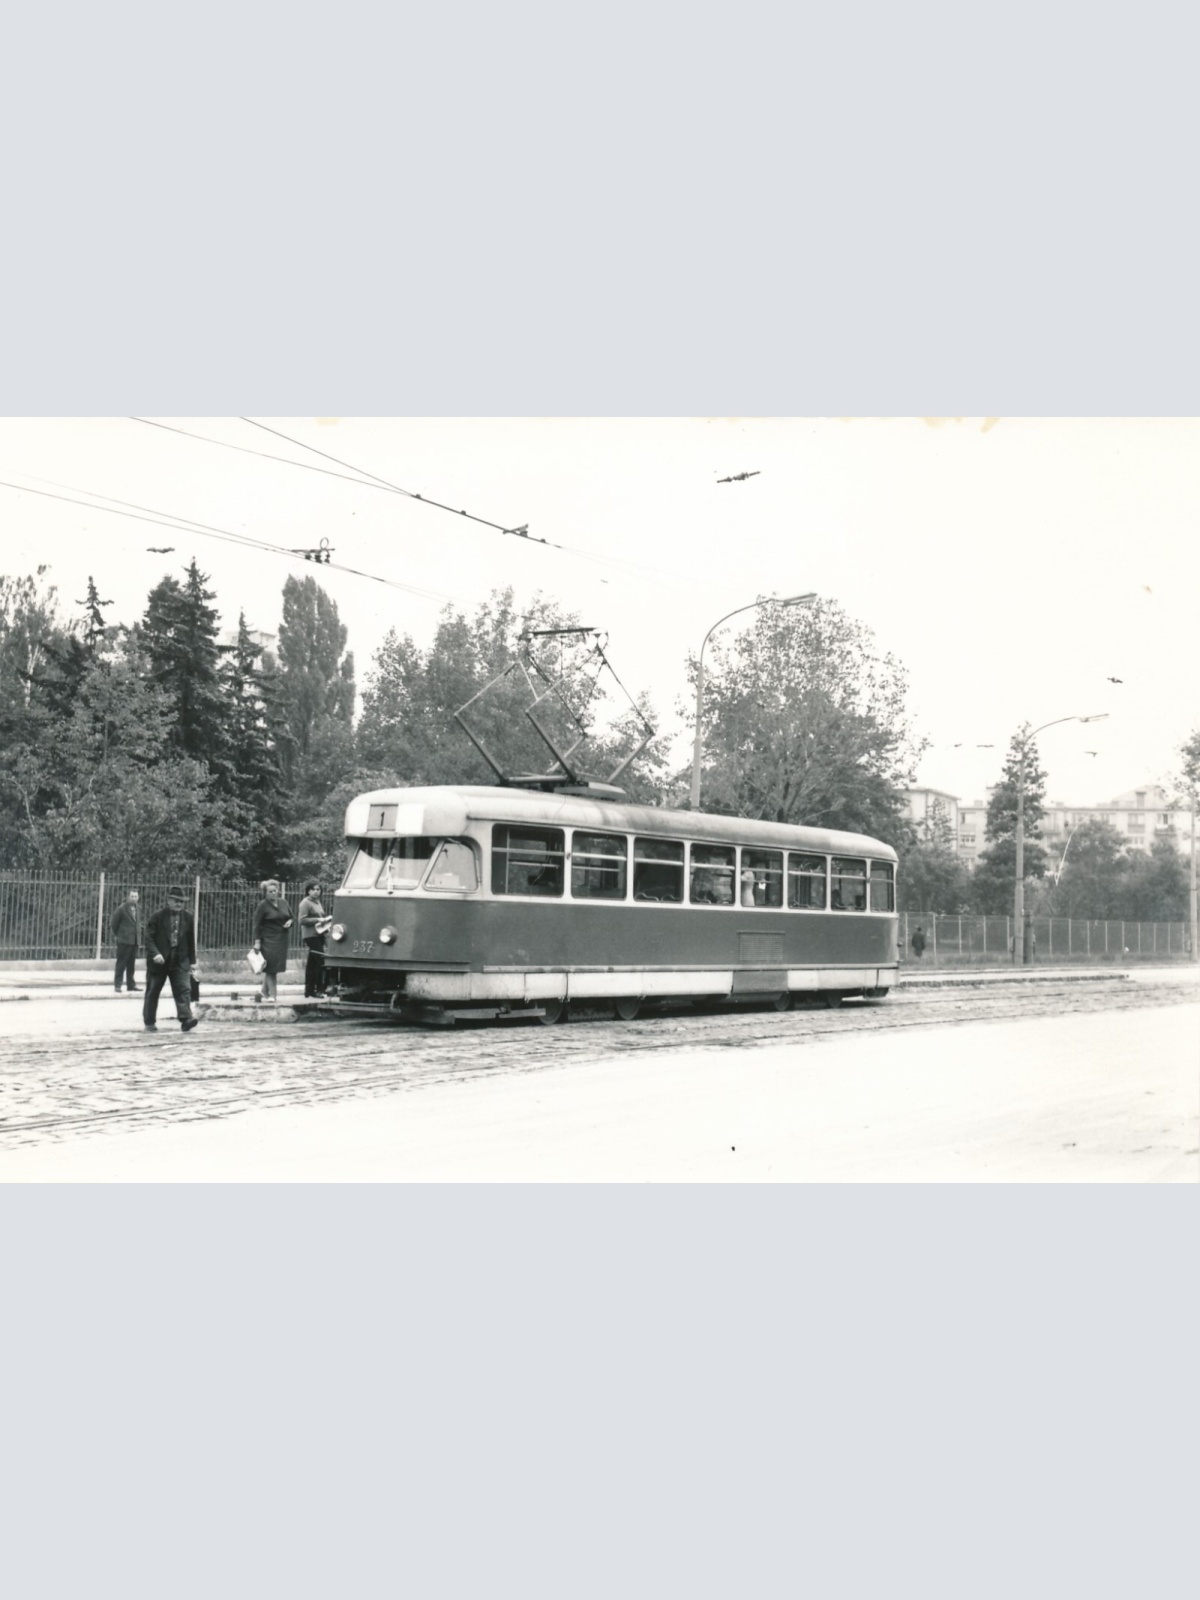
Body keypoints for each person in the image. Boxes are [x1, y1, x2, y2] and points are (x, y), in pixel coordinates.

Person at [143, 886, 200, 1033]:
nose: (179, 904)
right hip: (159, 961)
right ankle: (149, 1022)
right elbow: (148, 938)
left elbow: (190, 941)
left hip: (180, 960)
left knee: (183, 989)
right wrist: (155, 954)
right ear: (168, 900)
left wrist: (192, 962)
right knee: (153, 991)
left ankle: (186, 1019)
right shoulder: (157, 916)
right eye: (176, 901)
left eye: (182, 902)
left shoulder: (188, 917)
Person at [252, 878, 294, 1003]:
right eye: (270, 891)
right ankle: (273, 996)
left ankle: (264, 991)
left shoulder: (284, 902)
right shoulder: (262, 906)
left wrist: (290, 922)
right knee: (271, 968)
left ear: (278, 891)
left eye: (275, 891)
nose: (273, 893)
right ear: (265, 892)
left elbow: (292, 917)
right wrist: (257, 942)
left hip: (282, 938)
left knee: (274, 967)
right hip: (268, 939)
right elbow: (256, 924)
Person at [298, 879, 330, 998]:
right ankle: (318, 989)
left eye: (318, 889)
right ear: (308, 891)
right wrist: (318, 920)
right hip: (311, 935)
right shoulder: (305, 903)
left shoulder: (317, 902)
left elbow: (321, 917)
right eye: (313, 889)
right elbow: (302, 920)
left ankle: (309, 990)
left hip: (319, 934)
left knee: (312, 963)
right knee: (320, 961)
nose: (316, 892)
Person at [110, 889, 140, 993]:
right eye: (132, 896)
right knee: (121, 964)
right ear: (128, 897)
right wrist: (120, 936)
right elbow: (114, 924)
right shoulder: (121, 909)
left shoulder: (137, 908)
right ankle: (118, 985)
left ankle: (131, 985)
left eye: (136, 896)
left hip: (134, 942)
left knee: (131, 965)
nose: (134, 899)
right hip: (124, 941)